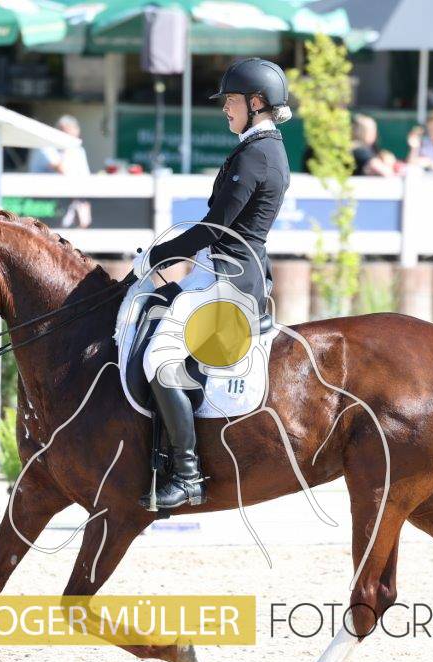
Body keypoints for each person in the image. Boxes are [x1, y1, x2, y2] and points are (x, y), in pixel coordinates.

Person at [130, 57, 292, 510]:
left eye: (231, 100)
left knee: (159, 358)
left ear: (256, 103)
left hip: (230, 278)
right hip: (221, 271)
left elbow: (217, 225)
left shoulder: (258, 154)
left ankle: (187, 475)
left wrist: (159, 254)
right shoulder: (258, 148)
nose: (225, 108)